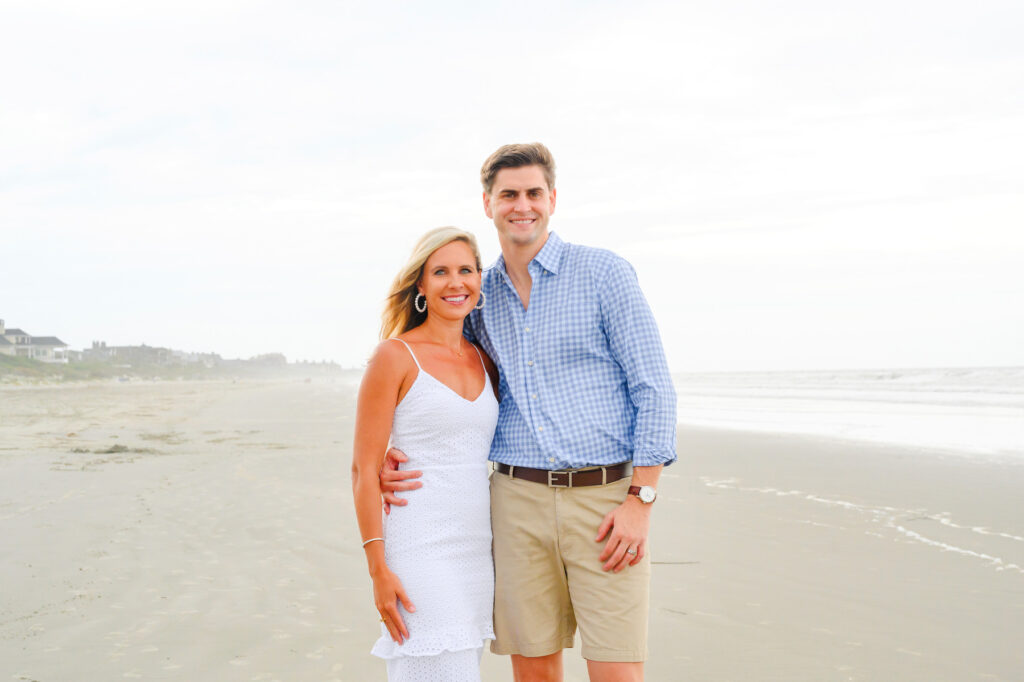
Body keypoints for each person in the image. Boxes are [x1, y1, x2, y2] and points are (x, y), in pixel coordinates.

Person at [381, 143, 677, 682]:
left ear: (553, 199)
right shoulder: (476, 295)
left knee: (618, 671)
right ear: (489, 203)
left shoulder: (603, 273)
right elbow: (434, 372)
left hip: (607, 501)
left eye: (534, 193)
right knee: (535, 672)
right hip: (515, 503)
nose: (523, 205)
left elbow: (653, 389)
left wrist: (642, 498)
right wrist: (393, 450)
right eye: (509, 194)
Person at [351, 226, 500, 681]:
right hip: (419, 548)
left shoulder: (485, 358)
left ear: (479, 279)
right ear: (420, 284)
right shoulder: (394, 356)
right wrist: (378, 570)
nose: (456, 283)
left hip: (477, 550)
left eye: (466, 270)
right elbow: (362, 469)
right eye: (440, 272)